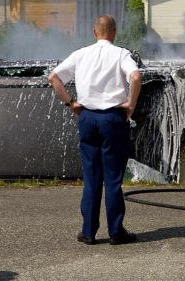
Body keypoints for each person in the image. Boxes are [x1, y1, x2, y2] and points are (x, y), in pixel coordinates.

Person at [49, 15, 141, 246]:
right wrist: (131, 104)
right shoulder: (121, 54)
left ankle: (88, 232)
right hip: (112, 118)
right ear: (114, 32)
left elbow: (54, 77)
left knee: (91, 178)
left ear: (94, 31)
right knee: (112, 179)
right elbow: (136, 76)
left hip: (87, 117)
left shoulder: (80, 54)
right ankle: (116, 232)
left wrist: (71, 103)